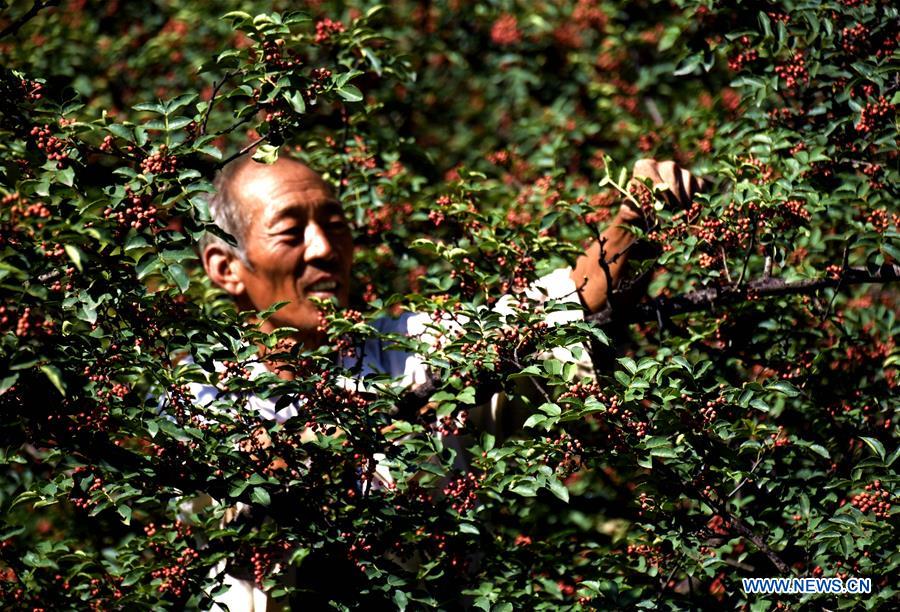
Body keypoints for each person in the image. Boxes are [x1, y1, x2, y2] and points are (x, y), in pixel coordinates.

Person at [191, 153, 702, 609]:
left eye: (335, 224)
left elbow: (560, 310)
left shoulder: (406, 348)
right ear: (225, 267)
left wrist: (634, 218)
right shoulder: (197, 397)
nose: (325, 248)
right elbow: (243, 483)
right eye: (289, 231)